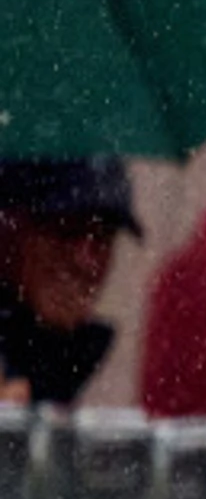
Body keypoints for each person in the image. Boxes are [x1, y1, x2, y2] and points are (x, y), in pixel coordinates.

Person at [0, 159, 138, 409]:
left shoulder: (66, 360)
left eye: (103, 238)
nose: (86, 261)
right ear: (9, 228)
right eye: (66, 232)